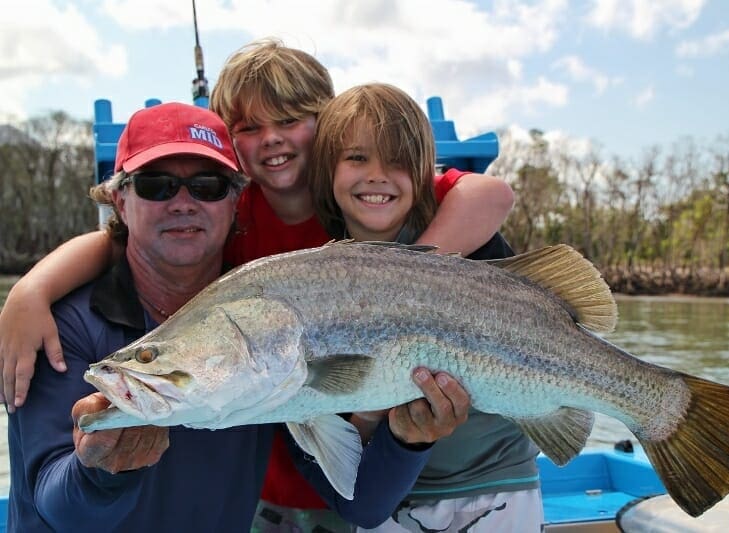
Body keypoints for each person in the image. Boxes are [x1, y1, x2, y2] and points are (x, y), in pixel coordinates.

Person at [0, 38, 512, 531]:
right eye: (157, 187)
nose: (184, 204)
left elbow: (488, 194)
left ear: (230, 200)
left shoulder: (361, 200)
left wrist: (411, 284)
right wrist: (30, 291)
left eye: (207, 186)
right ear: (120, 200)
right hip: (273, 446)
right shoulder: (231, 230)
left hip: (324, 435)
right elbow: (118, 243)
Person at [308, 83, 543, 532]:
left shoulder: (473, 243)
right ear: (326, 171)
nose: (377, 175)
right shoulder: (313, 281)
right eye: (356, 158)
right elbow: (342, 435)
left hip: (498, 483)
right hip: (398, 499)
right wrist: (373, 409)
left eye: (397, 161)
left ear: (422, 174)